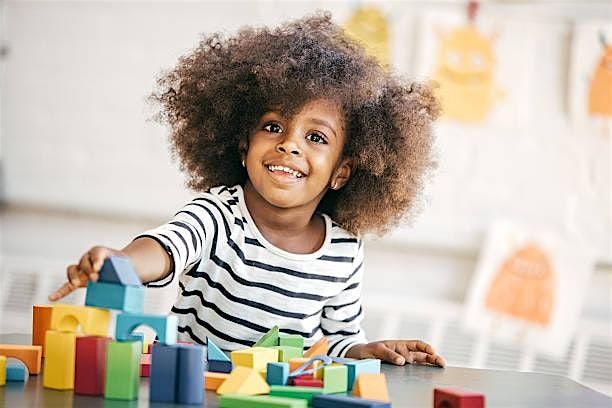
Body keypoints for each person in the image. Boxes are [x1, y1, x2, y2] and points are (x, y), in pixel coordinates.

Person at [49, 10, 445, 367]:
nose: (289, 144)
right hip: (193, 387)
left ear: (341, 172)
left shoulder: (343, 249)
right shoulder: (217, 215)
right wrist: (120, 262)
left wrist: (368, 350)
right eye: (273, 127)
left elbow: (339, 340)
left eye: (316, 137)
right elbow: (167, 248)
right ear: (244, 147)